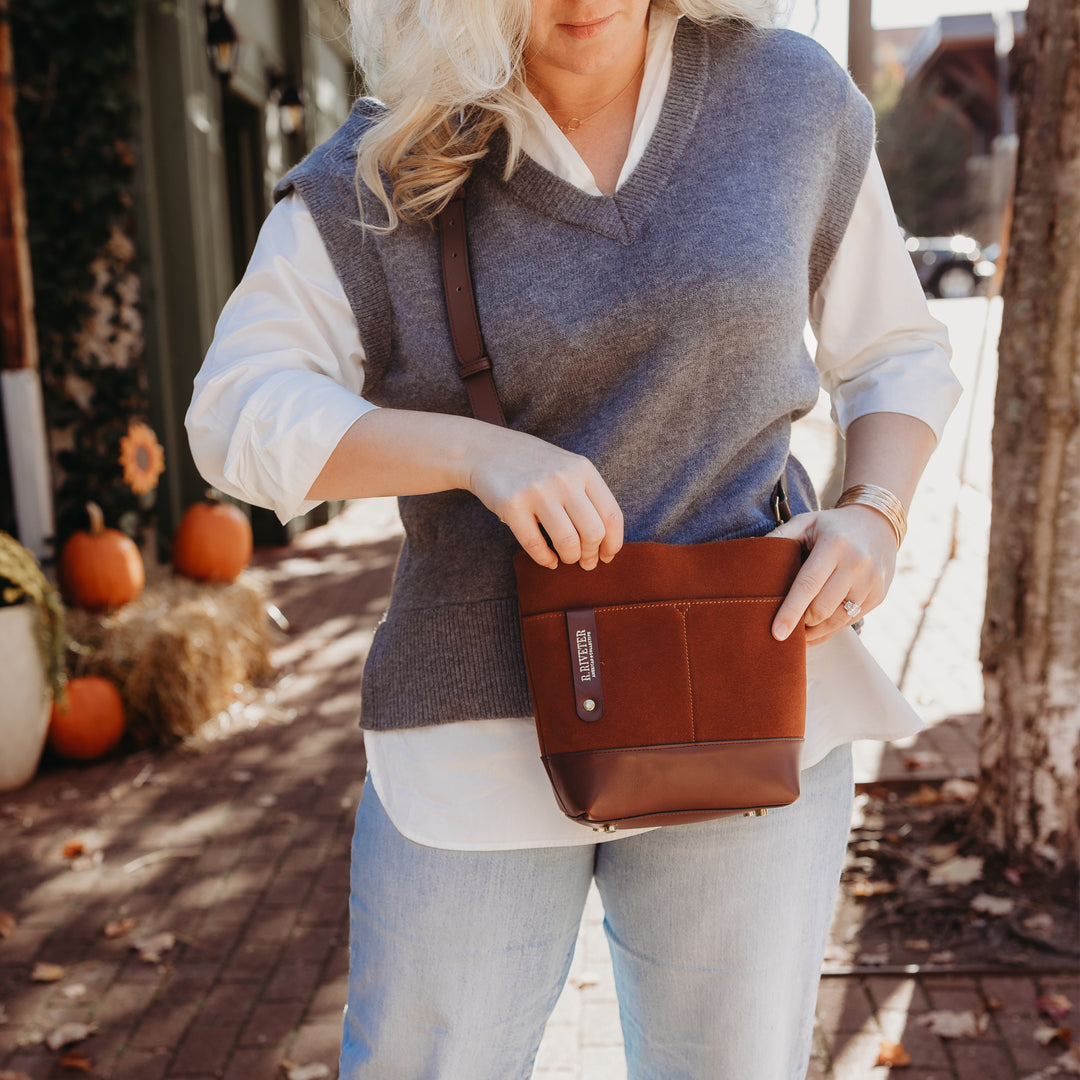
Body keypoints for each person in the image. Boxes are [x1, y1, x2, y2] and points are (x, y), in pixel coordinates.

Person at [186, 0, 961, 1074]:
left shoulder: (787, 99)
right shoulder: (391, 156)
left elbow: (895, 352)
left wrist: (875, 512)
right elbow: (234, 418)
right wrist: (475, 453)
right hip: (472, 736)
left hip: (746, 696)